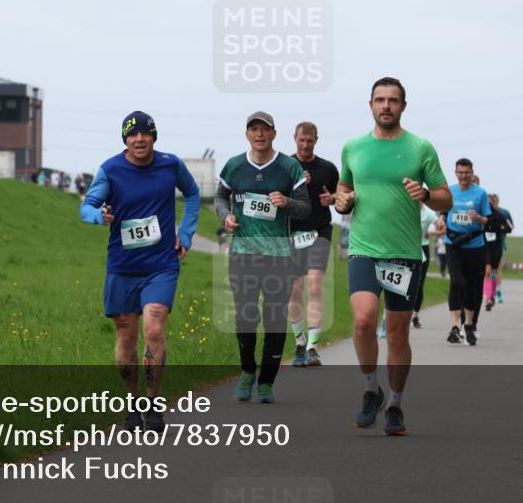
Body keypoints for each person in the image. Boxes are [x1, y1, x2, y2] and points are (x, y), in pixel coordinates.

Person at [335, 77, 451, 435]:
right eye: (380, 100)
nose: (386, 106)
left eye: (393, 100)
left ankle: (396, 406)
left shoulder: (420, 148)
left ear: (403, 106)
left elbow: (446, 198)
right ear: (370, 104)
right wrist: (343, 200)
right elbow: (344, 187)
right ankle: (372, 390)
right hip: (364, 250)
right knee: (364, 321)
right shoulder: (353, 147)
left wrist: (426, 193)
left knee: (398, 335)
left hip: (404, 255)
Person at [80, 111, 200, 432]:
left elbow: (192, 193)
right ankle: (133, 405)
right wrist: (97, 215)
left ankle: (153, 405)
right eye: (132, 135)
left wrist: (186, 232)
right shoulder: (110, 170)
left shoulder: (170, 164)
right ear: (125, 140)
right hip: (122, 267)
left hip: (161, 265)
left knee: (154, 330)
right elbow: (86, 205)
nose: (139, 139)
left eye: (145, 134)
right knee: (126, 337)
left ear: (153, 136)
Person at [216, 112, 310, 404]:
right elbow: (220, 197)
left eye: (264, 130)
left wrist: (288, 202)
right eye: (253, 129)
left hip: (278, 255)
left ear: (273, 134)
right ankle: (246, 372)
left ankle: (267, 382)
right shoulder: (234, 166)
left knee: (274, 319)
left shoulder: (288, 167)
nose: (259, 134)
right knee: (246, 316)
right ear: (247, 134)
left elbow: (306, 208)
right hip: (243, 253)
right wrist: (226, 215)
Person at [288, 121, 339, 368]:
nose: (305, 145)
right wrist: (296, 185)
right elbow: (273, 199)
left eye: (310, 141)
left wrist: (332, 199)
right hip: (291, 234)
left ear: (316, 140)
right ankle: (299, 342)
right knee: (294, 288)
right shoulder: (284, 167)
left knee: (315, 284)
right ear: (294, 139)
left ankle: (313, 347)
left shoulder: (328, 168)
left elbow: (341, 198)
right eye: (301, 140)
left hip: (319, 231)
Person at [444, 158, 491, 346]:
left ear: (472, 173)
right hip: (453, 243)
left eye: (467, 172)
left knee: (472, 286)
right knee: (456, 282)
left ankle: (469, 325)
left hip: (475, 245)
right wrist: (440, 219)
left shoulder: (480, 193)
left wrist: (478, 218)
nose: (463, 176)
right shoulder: (450, 191)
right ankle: (455, 326)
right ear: (456, 172)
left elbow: (488, 220)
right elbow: (442, 211)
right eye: (460, 172)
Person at [379, 203, 437, 336]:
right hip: (393, 251)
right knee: (389, 287)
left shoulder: (427, 213)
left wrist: (433, 230)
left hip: (413, 253)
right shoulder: (399, 207)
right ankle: (384, 322)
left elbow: (439, 223)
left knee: (408, 289)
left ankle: (407, 319)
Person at [482, 194, 514, 309]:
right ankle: (488, 298)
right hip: (484, 247)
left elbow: (509, 228)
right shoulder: (481, 214)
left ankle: (492, 294)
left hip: (496, 247)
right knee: (487, 272)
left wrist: (499, 228)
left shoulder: (499, 215)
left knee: (494, 272)